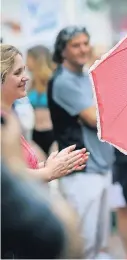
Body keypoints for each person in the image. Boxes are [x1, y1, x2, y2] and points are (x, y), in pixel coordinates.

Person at [48, 26, 115, 259]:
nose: (83, 49)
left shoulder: (87, 75)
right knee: (84, 245)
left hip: (102, 166)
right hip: (81, 171)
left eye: (86, 43)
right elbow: (94, 118)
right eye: (76, 45)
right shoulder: (62, 81)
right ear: (62, 51)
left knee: (100, 244)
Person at [1, 112, 83, 259]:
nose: (24, 86)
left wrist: (49, 166)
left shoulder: (9, 120)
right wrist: (47, 172)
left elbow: (17, 168)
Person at [1, 44, 87, 181]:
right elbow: (8, 176)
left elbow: (19, 169)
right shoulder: (3, 121)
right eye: (17, 73)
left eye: (24, 71)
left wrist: (54, 165)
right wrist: (48, 171)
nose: (25, 77)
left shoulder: (8, 116)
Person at [26, 45, 56, 155]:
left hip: (52, 133)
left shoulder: (52, 82)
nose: (26, 62)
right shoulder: (30, 84)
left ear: (36, 59)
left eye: (28, 58)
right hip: (36, 133)